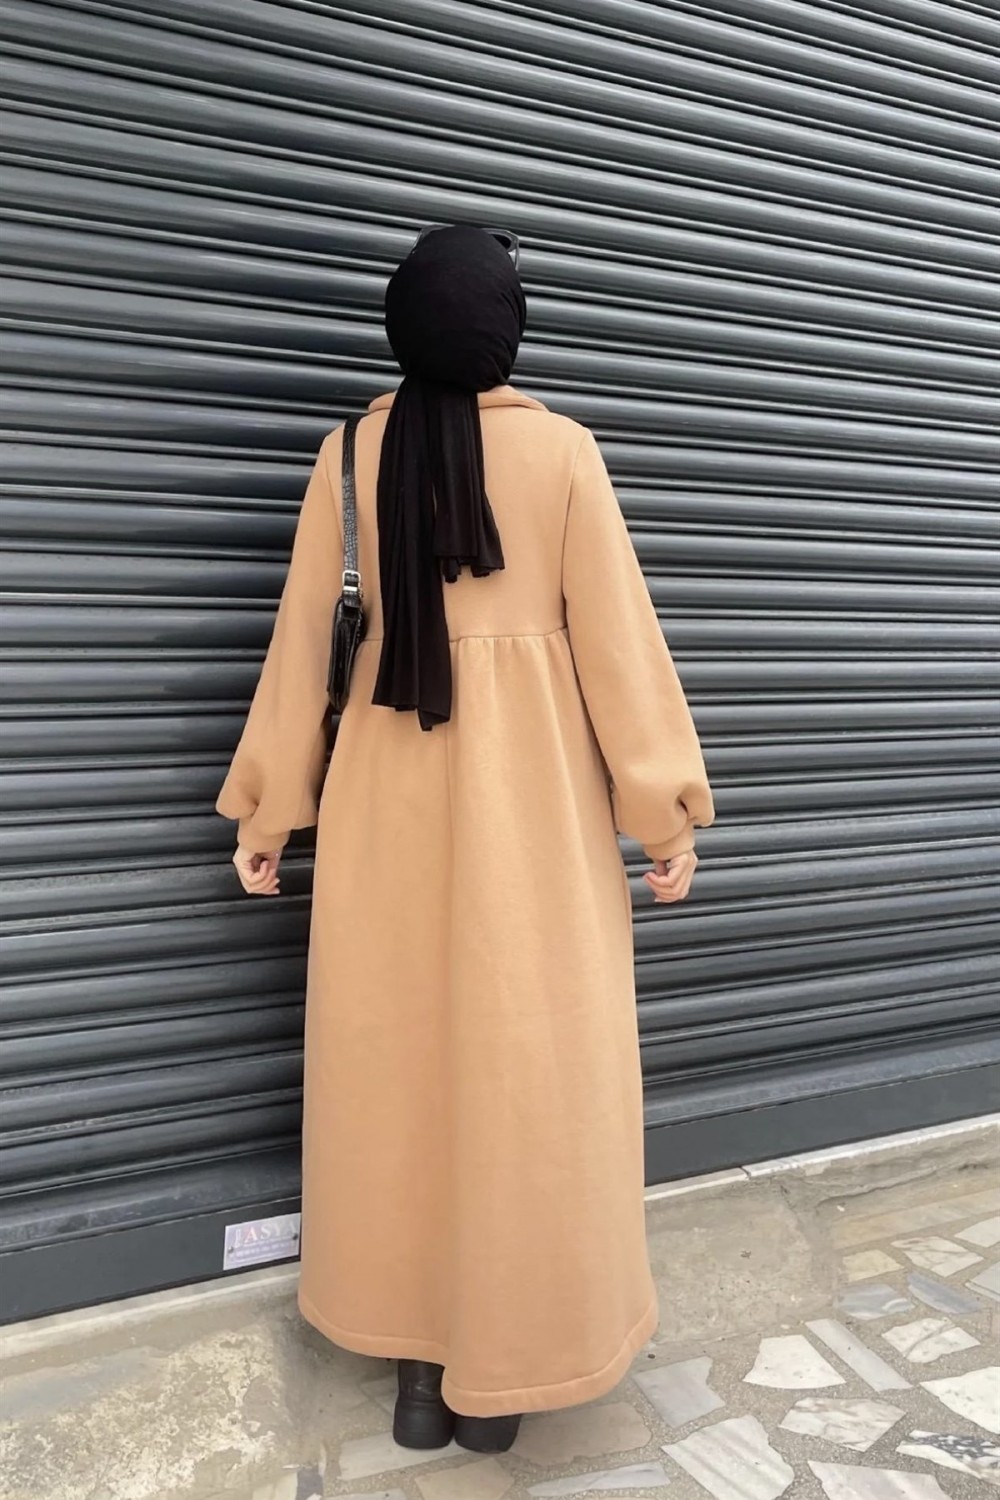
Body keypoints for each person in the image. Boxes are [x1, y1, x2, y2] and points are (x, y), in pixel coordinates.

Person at [216, 223, 715, 1454]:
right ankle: (512, 1368)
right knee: (528, 1070)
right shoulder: (560, 452)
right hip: (530, 807)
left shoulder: (349, 454)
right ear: (505, 330)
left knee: (397, 1068)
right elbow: (619, 646)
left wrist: (270, 806)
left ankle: (420, 1371)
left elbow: (304, 643)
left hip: (387, 799)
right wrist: (662, 810)